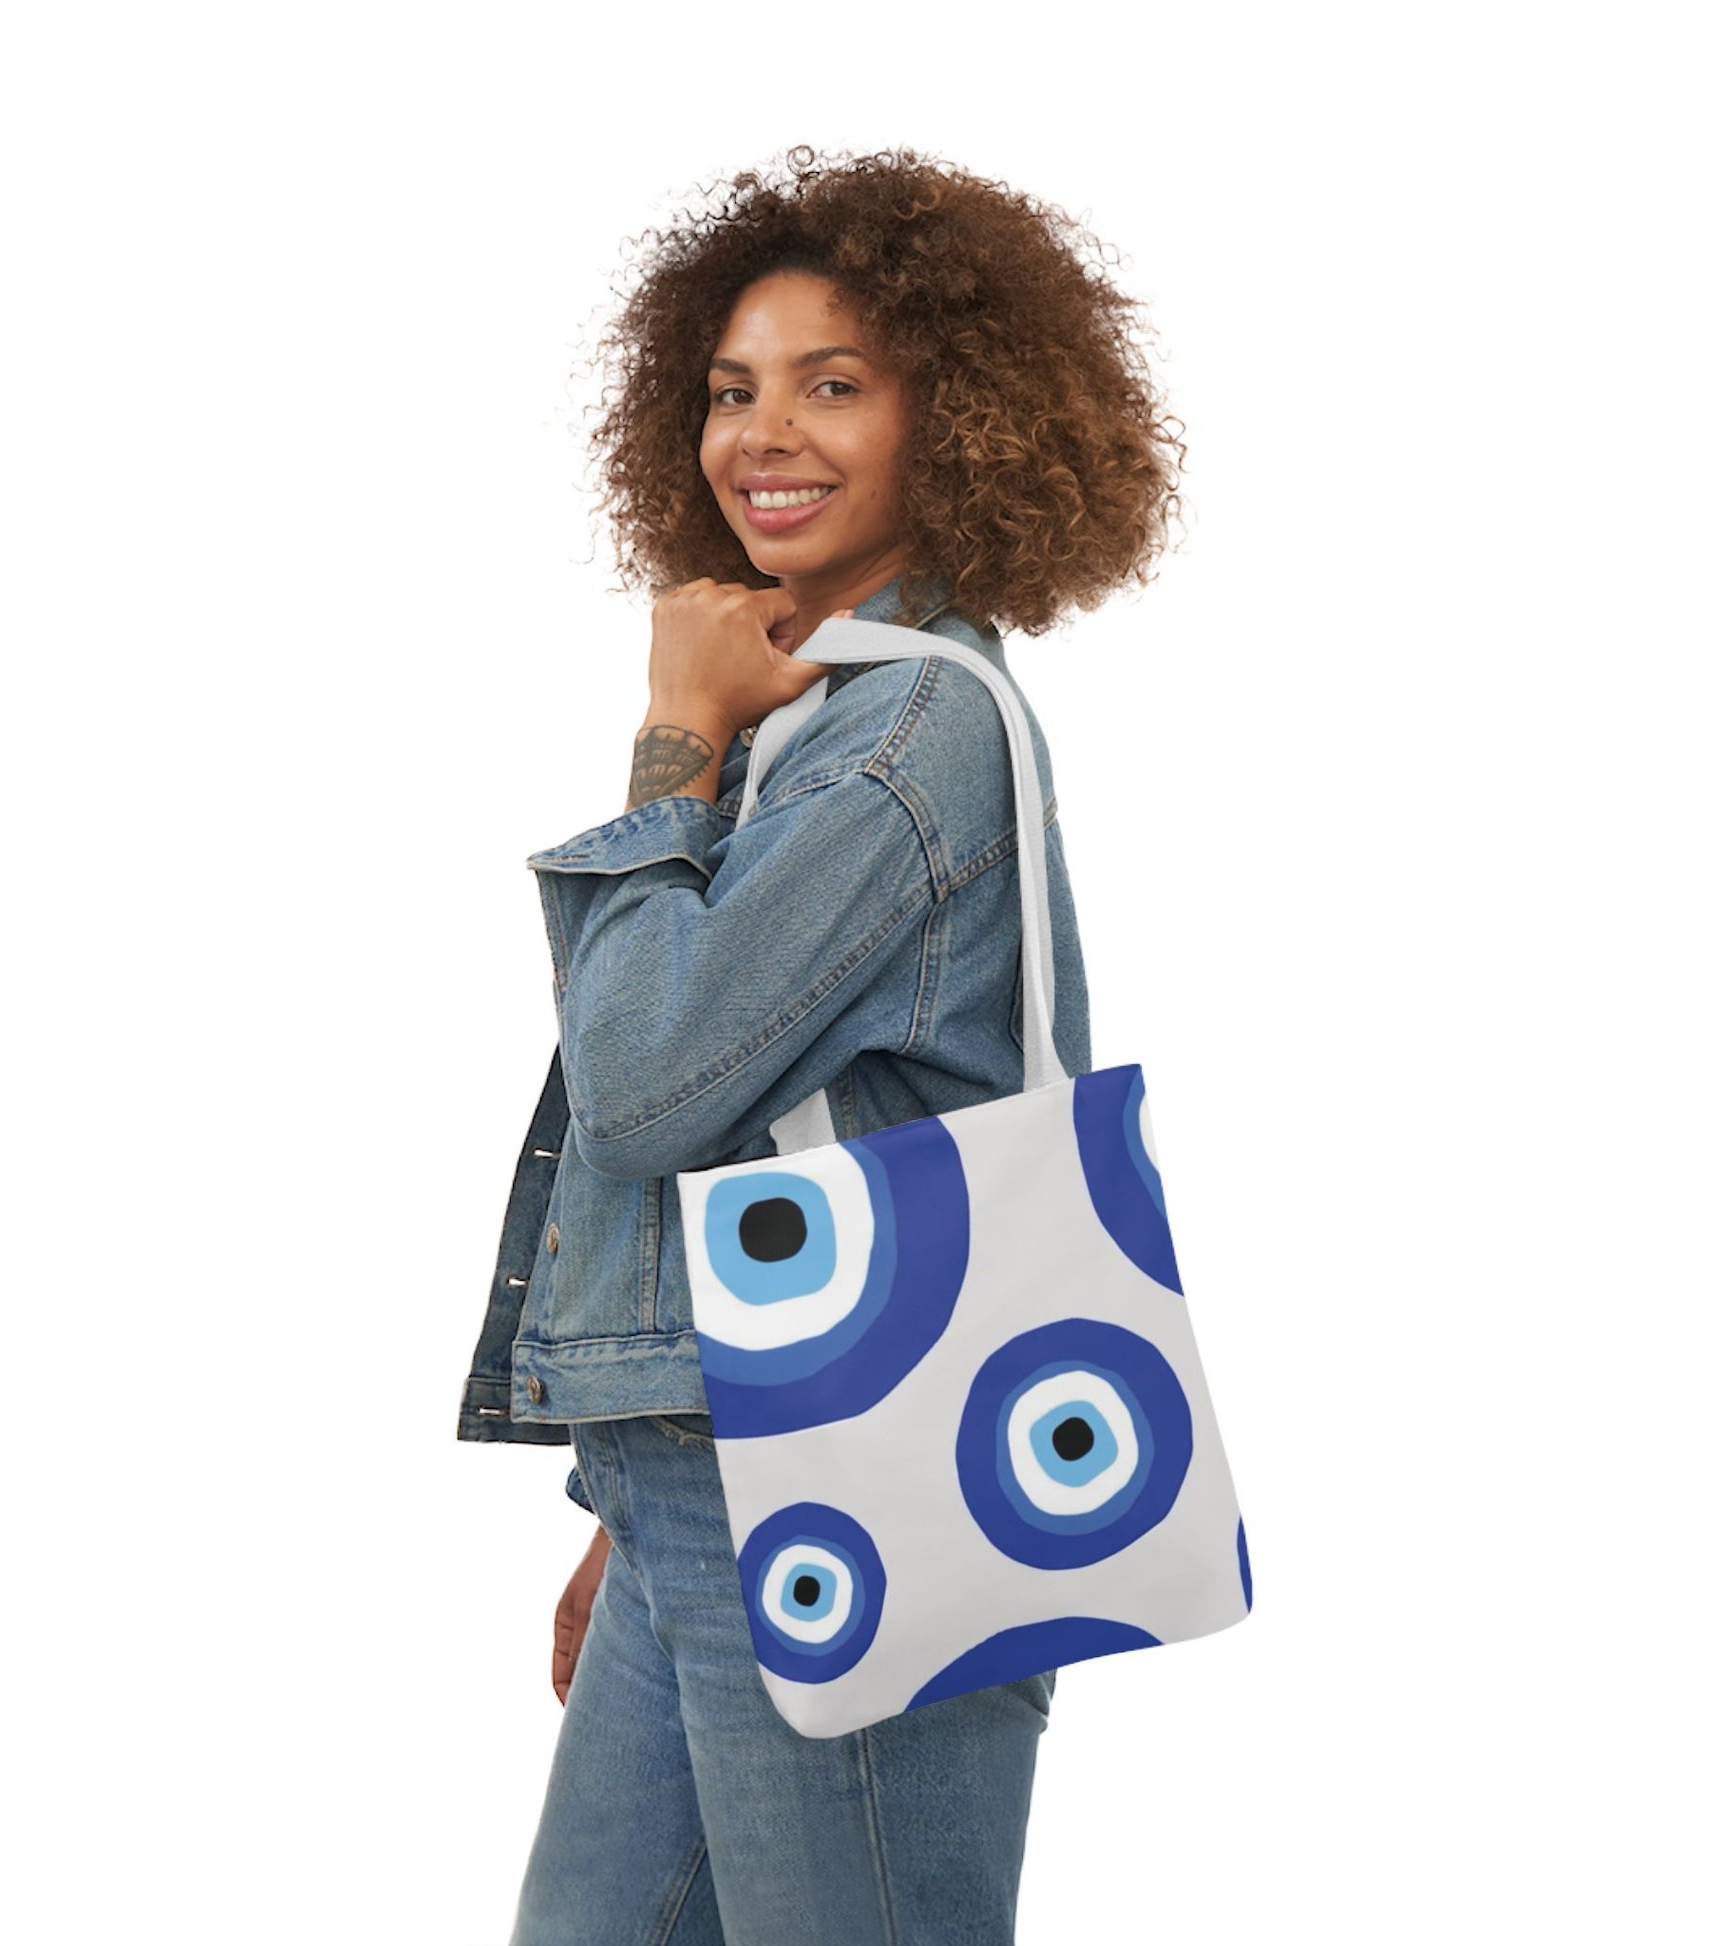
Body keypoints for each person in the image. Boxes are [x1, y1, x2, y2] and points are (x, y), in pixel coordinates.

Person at [455, 144, 1186, 1944]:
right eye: (729, 391)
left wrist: (672, 738)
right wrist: (630, 1495)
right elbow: (740, 1145)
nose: (760, 435)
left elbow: (646, 1085)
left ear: (961, 419)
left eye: (832, 385)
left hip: (845, 1472)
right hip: (706, 1471)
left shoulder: (903, 735)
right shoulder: (823, 712)